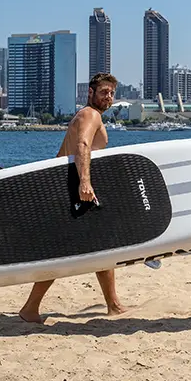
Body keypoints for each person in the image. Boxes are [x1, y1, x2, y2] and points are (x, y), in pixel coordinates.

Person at [18, 72, 129, 324]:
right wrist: (85, 182)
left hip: (69, 186)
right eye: (103, 92)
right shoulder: (90, 115)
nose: (108, 97)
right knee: (65, 250)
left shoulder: (86, 115)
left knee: (100, 245)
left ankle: (113, 305)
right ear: (90, 93)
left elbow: (68, 154)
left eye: (111, 93)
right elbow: (82, 146)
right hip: (74, 188)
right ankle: (29, 309)